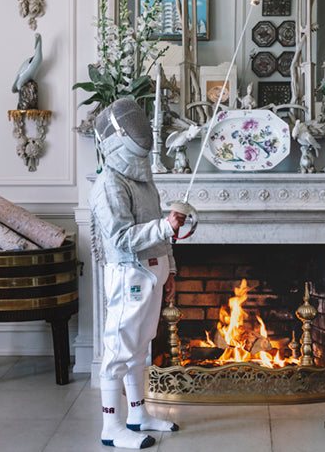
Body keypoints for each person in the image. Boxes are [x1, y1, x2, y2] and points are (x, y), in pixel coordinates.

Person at [89, 98, 187, 449]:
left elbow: (160, 232)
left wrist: (170, 270)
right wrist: (164, 227)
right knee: (118, 350)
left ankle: (137, 414)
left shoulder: (143, 181)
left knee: (140, 348)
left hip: (153, 277)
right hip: (129, 277)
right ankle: (110, 426)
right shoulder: (108, 185)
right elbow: (120, 237)